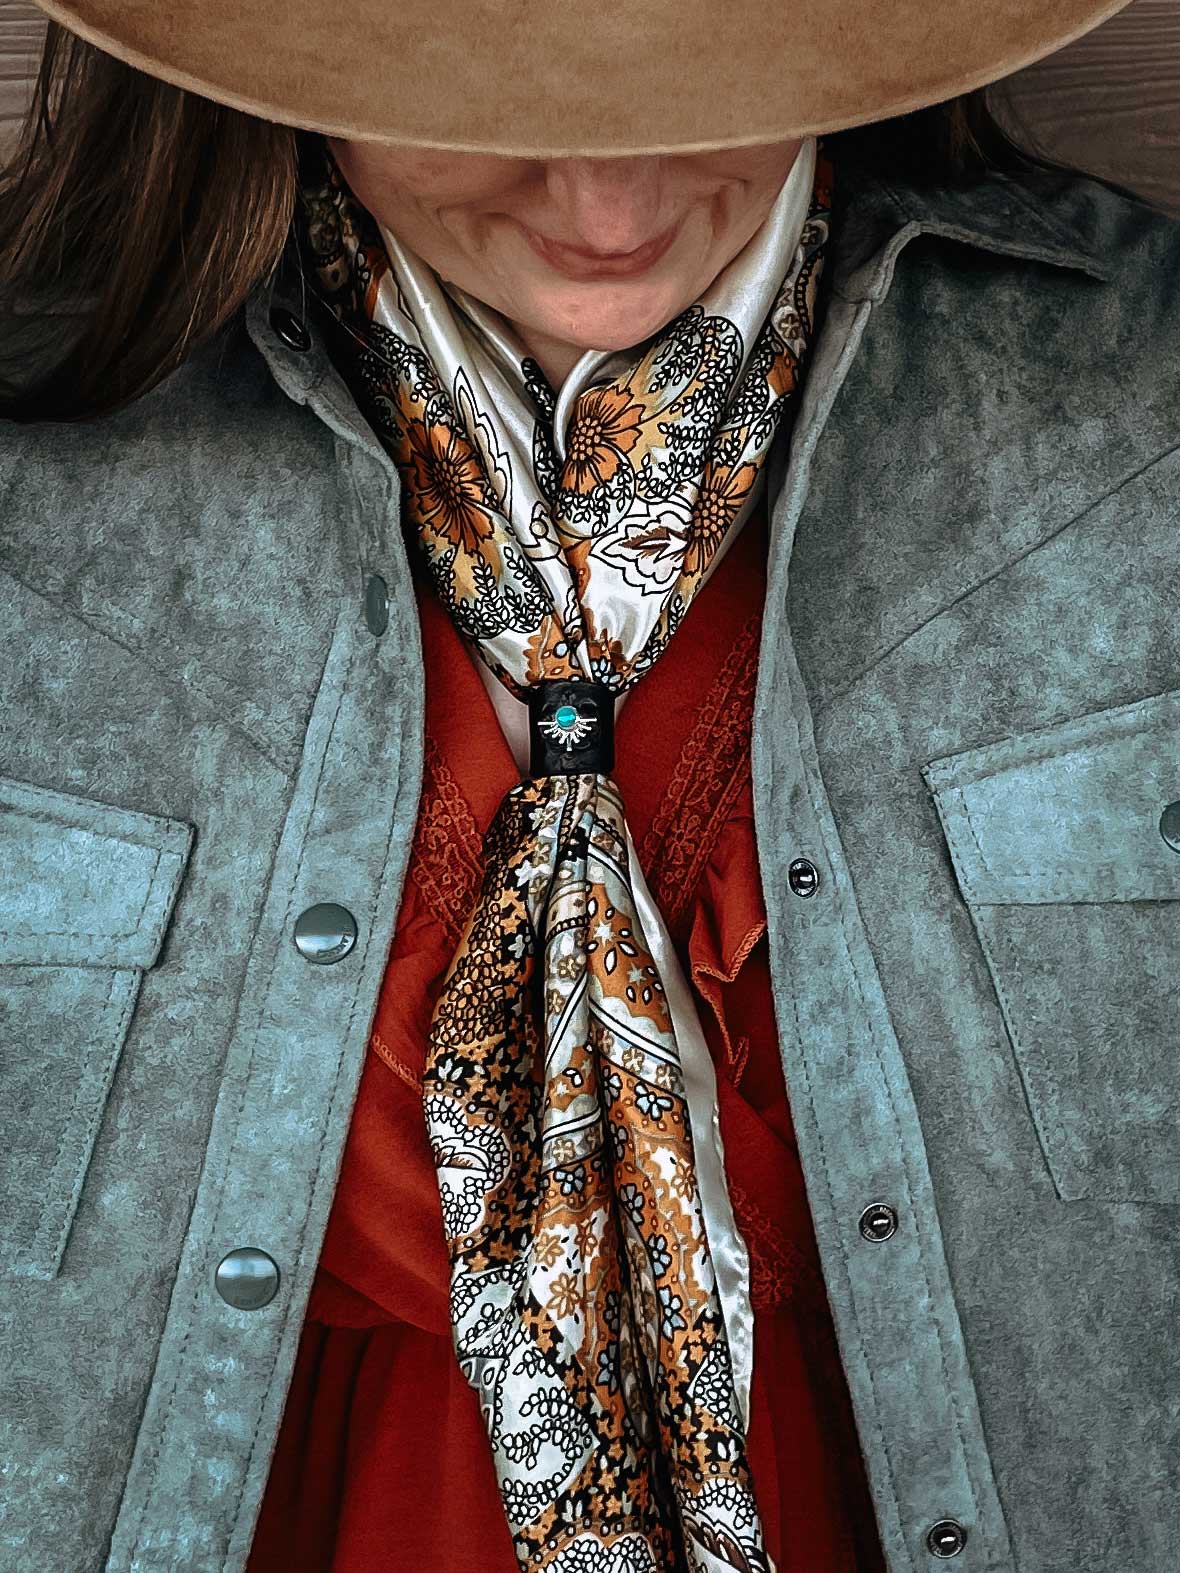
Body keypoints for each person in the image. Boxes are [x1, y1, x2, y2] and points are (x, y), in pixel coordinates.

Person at [0, 0, 1176, 1568]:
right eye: (495, 107)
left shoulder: (1135, 422)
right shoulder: (34, 492)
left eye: (709, 87)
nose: (609, 214)